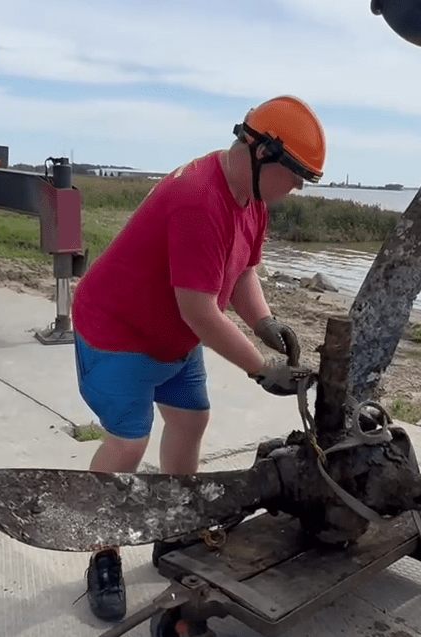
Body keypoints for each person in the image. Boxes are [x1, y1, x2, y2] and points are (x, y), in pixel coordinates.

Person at [70, 95, 326, 621]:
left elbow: (241, 272)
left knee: (190, 420)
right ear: (262, 155)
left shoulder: (250, 200)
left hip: (171, 337)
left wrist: (262, 323)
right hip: (118, 332)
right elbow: (200, 312)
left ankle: (174, 528)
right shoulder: (198, 199)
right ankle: (101, 549)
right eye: (297, 175)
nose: (298, 187)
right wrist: (261, 368)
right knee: (127, 444)